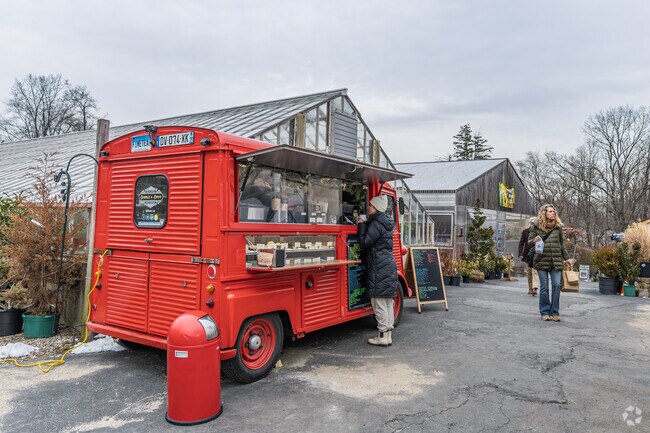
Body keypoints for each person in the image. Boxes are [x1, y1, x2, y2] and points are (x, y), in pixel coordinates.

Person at [357, 195, 397, 346]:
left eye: (371, 206)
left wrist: (361, 224)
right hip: (388, 264)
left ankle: (381, 337)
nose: (369, 208)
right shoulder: (385, 222)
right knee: (388, 303)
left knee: (378, 302)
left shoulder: (376, 223)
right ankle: (388, 336)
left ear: (376, 208)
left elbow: (365, 242)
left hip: (379, 266)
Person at [527, 204, 572, 322]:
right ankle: (545, 312)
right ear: (544, 213)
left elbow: (562, 245)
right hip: (541, 260)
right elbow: (529, 242)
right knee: (544, 287)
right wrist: (534, 240)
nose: (553, 213)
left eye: (554, 211)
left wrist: (567, 259)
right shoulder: (536, 226)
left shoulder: (558, 227)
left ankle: (555, 311)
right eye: (550, 211)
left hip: (556, 260)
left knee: (557, 285)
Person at [518, 217, 539, 296]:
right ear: (530, 223)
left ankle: (535, 287)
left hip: (537, 254)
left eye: (535, 223)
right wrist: (520, 253)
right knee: (529, 272)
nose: (533, 224)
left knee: (535, 271)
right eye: (532, 223)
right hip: (527, 255)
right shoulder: (525, 231)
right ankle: (530, 288)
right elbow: (521, 243)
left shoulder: (539, 232)